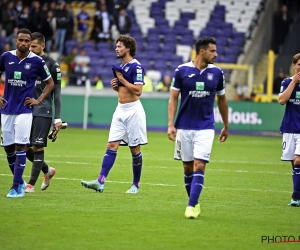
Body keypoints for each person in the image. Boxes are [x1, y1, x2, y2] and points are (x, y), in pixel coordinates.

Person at [167, 37, 229, 219]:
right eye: (212, 51)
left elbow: (222, 100)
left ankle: (191, 205)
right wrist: (171, 124)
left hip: (206, 127)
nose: (216, 54)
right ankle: (194, 201)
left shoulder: (218, 73)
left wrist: (225, 125)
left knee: (199, 165)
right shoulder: (181, 71)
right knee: (187, 168)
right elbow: (173, 98)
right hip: (184, 126)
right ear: (202, 51)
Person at [81, 35, 147, 194]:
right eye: (116, 46)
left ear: (128, 48)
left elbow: (138, 91)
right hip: (120, 110)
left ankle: (135, 185)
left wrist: (122, 80)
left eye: (119, 46)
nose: (116, 49)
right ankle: (100, 181)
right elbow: (124, 87)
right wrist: (117, 87)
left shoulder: (136, 67)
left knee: (134, 149)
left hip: (133, 111)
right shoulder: (121, 67)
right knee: (111, 145)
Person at [0, 28, 54, 198]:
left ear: (30, 43)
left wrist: (38, 101)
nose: (23, 43)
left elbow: (50, 83)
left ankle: (16, 187)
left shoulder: (37, 61)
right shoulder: (6, 57)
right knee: (8, 148)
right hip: (7, 109)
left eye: (26, 41)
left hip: (25, 110)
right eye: (20, 40)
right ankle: (20, 182)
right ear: (16, 41)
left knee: (21, 146)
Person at [24, 32, 63, 193]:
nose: (31, 49)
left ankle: (31, 184)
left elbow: (57, 93)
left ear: (42, 46)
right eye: (29, 46)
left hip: (43, 110)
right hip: (25, 110)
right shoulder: (26, 62)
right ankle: (47, 171)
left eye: (34, 46)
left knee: (37, 146)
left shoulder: (53, 65)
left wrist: (58, 118)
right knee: (23, 147)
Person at [278, 53, 300, 207]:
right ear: (294, 65)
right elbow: (281, 100)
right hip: (289, 129)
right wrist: (294, 82)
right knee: (294, 164)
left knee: (298, 160)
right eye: (299, 65)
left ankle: (296, 197)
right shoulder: (286, 82)